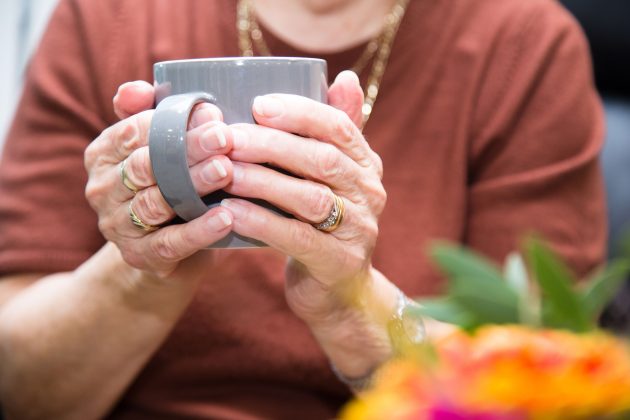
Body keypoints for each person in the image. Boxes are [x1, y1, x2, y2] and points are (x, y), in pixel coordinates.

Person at [0, 0, 606, 418]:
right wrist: (146, 264)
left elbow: (548, 386)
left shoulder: (524, 44)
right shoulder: (106, 18)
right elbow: (20, 389)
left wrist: (351, 306)